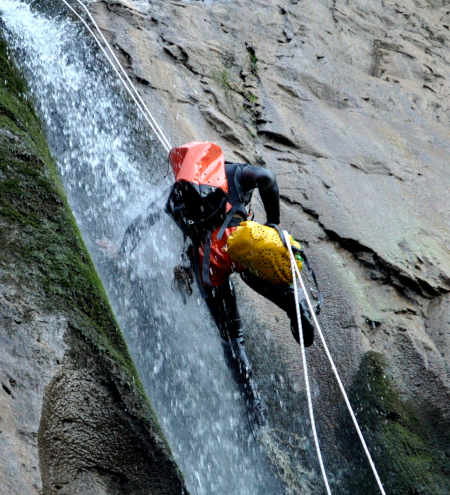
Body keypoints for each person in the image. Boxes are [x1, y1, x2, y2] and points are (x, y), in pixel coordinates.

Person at [122, 141, 316, 425]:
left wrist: (122, 249)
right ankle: (291, 302)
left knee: (231, 338)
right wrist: (273, 223)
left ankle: (253, 403)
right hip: (238, 243)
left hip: (206, 263)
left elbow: (144, 219)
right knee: (251, 270)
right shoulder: (233, 173)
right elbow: (267, 178)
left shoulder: (176, 191)